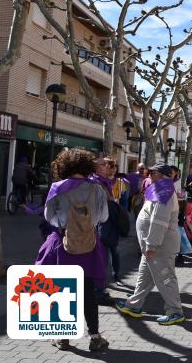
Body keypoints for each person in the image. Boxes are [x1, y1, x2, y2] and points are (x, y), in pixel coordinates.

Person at [37, 148, 109, 351]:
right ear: (87, 166)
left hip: (62, 242)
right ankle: (95, 337)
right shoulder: (97, 189)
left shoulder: (57, 187)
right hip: (88, 243)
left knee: (61, 290)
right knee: (88, 292)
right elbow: (103, 218)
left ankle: (62, 337)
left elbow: (48, 216)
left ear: (64, 165)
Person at [116, 163, 185, 325]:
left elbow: (159, 222)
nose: (148, 175)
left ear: (161, 175)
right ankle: (134, 305)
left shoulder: (165, 192)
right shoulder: (160, 189)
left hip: (158, 247)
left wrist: (151, 245)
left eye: (152, 172)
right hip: (152, 246)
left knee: (166, 277)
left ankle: (175, 311)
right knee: (145, 277)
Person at [91, 157, 120, 303]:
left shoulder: (104, 182)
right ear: (96, 168)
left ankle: (99, 288)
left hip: (103, 224)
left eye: (108, 164)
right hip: (98, 225)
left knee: (103, 256)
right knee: (101, 257)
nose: (107, 167)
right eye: (104, 164)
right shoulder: (96, 183)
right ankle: (98, 291)